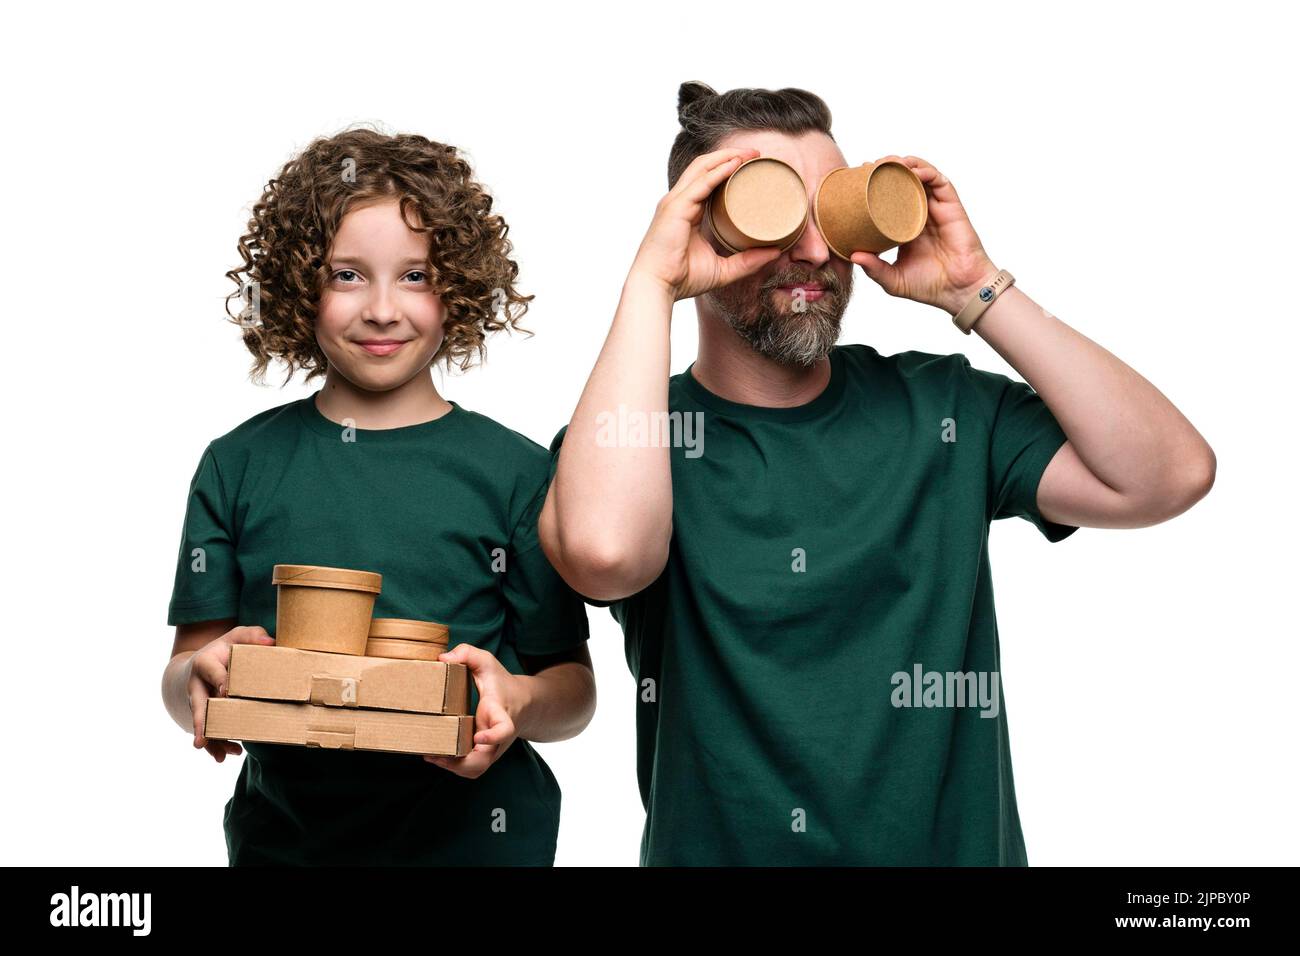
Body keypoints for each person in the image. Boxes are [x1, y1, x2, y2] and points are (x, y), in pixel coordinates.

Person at [540, 82, 1216, 865]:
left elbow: (1170, 475)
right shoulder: (634, 441)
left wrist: (976, 291)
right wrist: (650, 284)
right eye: (772, 213)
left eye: (830, 213)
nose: (815, 252)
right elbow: (606, 553)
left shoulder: (943, 407)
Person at [162, 126, 595, 865]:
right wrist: (196, 687)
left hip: (480, 842)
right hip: (287, 843)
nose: (384, 310)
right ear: (301, 286)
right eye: (347, 275)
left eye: (417, 276)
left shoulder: (518, 473)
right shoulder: (237, 465)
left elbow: (572, 691)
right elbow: (187, 670)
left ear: (457, 285)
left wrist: (515, 705)